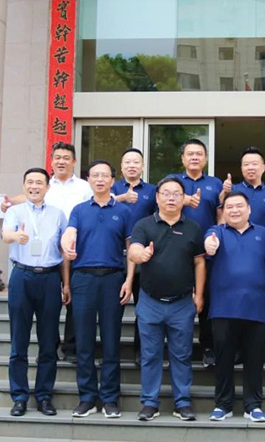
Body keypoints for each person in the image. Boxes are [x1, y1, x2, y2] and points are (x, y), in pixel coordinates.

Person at [2, 142, 93, 362]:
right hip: (41, 257)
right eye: (57, 157)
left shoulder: (84, 187)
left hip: (76, 250)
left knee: (72, 300)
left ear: (74, 161)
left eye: (66, 158)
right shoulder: (43, 183)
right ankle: (50, 346)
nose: (61, 161)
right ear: (51, 161)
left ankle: (70, 347)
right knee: (38, 317)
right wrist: (10, 204)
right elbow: (27, 198)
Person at [128, 176, 206, 422]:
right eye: (166, 193)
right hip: (150, 301)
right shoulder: (144, 225)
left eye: (176, 194)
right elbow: (133, 250)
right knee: (150, 355)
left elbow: (199, 262)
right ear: (157, 197)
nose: (171, 198)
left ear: (183, 198)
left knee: (181, 355)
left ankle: (182, 402)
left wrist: (199, 294)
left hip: (182, 303)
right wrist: (141, 254)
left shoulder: (193, 228)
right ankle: (149, 403)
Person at [60, 160, 134, 419]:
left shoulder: (124, 211)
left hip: (113, 279)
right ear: (88, 180)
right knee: (84, 342)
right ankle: (87, 398)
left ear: (113, 180)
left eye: (105, 175)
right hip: (83, 279)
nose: (100, 180)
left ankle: (110, 399)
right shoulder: (79, 210)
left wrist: (129, 280)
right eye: (95, 175)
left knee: (111, 342)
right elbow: (69, 235)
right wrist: (67, 278)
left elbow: (131, 250)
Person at [204, 191, 265, 423]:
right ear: (223, 211)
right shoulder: (216, 231)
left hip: (255, 307)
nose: (235, 210)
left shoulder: (263, 234)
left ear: (249, 209)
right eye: (229, 207)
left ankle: (253, 405)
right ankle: (223, 404)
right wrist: (210, 245)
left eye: (239, 206)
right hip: (223, 308)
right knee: (223, 358)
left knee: (254, 359)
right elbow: (208, 243)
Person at [2, 168, 70, 417]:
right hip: (22, 276)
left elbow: (64, 252)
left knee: (48, 341)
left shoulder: (58, 214)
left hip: (50, 278)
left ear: (47, 187)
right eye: (30, 182)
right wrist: (16, 236)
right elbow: (5, 235)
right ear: (24, 186)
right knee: (19, 341)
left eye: (39, 182)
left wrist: (66, 284)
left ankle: (44, 396)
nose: (34, 186)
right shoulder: (15, 211)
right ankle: (19, 397)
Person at [176, 138, 224, 368]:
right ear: (183, 158)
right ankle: (179, 349)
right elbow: (161, 207)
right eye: (190, 153)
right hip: (178, 251)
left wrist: (218, 237)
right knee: (179, 301)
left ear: (205, 158)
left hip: (208, 253)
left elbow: (220, 215)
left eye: (199, 154)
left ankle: (208, 347)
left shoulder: (215, 184)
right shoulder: (173, 182)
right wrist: (182, 199)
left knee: (207, 301)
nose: (194, 157)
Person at [111, 147, 157, 366]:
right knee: (113, 308)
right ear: (121, 167)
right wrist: (122, 198)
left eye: (136, 162)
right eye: (127, 162)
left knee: (143, 308)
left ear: (143, 166)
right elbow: (101, 202)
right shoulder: (112, 187)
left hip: (143, 257)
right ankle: (112, 352)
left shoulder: (152, 190)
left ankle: (141, 351)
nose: (132, 165)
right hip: (114, 256)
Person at [232, 146, 265, 229]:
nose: (250, 168)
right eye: (246, 164)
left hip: (263, 237)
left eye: (254, 164)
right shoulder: (233, 190)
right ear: (241, 168)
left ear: (263, 168)